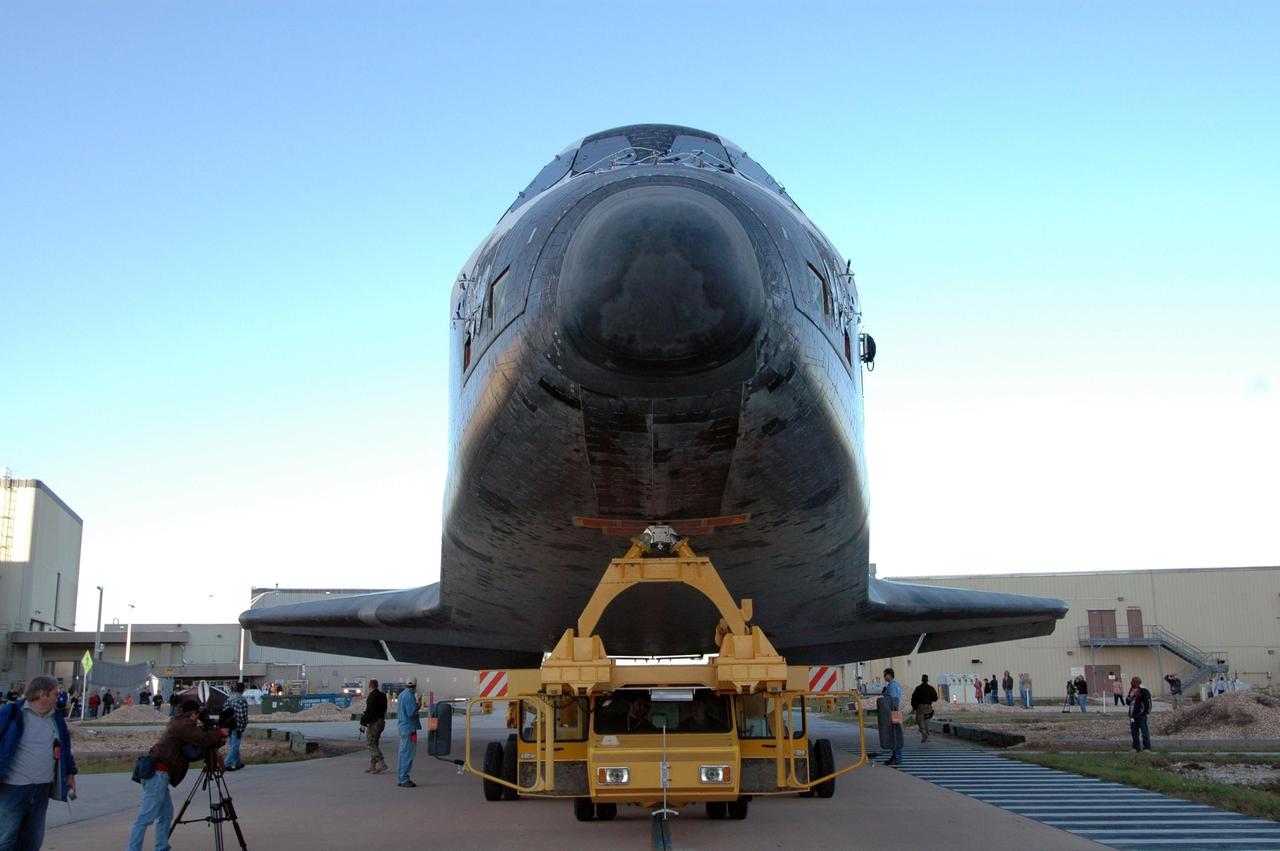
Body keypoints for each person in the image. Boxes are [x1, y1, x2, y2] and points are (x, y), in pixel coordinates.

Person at [128, 698, 227, 851]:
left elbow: (198, 744)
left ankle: (162, 847)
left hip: (159, 774)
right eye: (197, 714)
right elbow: (202, 739)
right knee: (145, 818)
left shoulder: (178, 721)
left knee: (166, 815)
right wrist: (220, 733)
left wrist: (216, 735)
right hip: (158, 774)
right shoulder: (184, 725)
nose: (197, 718)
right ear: (193, 714)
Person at [0, 675, 79, 851]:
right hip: (13, 788)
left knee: (32, 841)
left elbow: (65, 747)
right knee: (6, 838)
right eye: (54, 694)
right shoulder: (12, 713)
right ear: (42, 694)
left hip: (42, 788)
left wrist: (70, 773)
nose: (58, 698)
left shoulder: (56, 718)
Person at [396, 678, 421, 788]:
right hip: (410, 728)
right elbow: (411, 713)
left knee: (402, 753)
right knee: (408, 754)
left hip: (402, 727)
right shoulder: (410, 696)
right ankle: (405, 778)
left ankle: (401, 778)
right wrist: (418, 706)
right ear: (415, 686)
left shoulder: (401, 695)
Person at [361, 678, 388, 774]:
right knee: (375, 743)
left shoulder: (372, 696)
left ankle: (382, 763)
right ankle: (373, 766)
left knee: (370, 743)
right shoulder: (383, 696)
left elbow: (369, 711)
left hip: (374, 723)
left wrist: (363, 721)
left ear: (370, 686)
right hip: (381, 722)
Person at [225, 682, 249, 771]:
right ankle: (227, 763)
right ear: (243, 689)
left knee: (233, 744)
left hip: (228, 725)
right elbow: (243, 716)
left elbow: (224, 712)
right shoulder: (242, 701)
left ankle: (238, 762)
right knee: (235, 745)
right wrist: (243, 725)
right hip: (237, 726)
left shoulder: (229, 699)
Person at [882, 668, 904, 765]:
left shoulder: (893, 686)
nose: (884, 677)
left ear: (889, 675)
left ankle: (897, 757)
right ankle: (895, 756)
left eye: (885, 675)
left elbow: (893, 699)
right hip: (895, 712)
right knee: (894, 734)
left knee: (895, 735)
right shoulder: (893, 685)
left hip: (894, 712)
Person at [1126, 676, 1152, 752]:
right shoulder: (1131, 690)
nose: (1132, 683)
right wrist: (1128, 699)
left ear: (1138, 682)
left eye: (1133, 681)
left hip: (1141, 715)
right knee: (1134, 732)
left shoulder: (1144, 691)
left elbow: (1148, 703)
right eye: (1132, 681)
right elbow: (1128, 702)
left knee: (1144, 732)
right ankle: (1136, 747)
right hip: (1132, 714)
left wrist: (1145, 712)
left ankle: (1147, 747)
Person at [910, 675, 938, 742]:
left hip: (920, 708)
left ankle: (924, 734)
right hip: (928, 708)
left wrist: (914, 707)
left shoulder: (918, 688)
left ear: (922, 680)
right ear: (927, 680)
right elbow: (935, 698)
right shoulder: (931, 688)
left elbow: (913, 698)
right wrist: (929, 699)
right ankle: (926, 736)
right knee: (927, 722)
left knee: (920, 721)